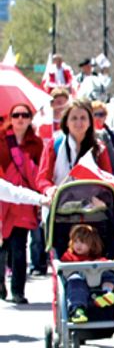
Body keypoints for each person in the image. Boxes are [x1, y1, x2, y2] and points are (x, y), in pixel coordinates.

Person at [0, 102, 44, 304]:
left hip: (23, 200)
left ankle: (18, 290)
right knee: (2, 246)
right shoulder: (1, 139)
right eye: (16, 114)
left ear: (30, 118)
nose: (20, 118)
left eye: (25, 115)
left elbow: (41, 172)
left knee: (19, 247)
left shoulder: (36, 143)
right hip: (3, 200)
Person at [35, 100, 114, 196]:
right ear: (66, 122)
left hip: (91, 206)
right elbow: (42, 178)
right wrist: (49, 189)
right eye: (74, 118)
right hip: (59, 203)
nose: (79, 122)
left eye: (83, 118)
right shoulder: (55, 144)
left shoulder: (99, 148)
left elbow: (107, 180)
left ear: (89, 122)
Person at [60, 223, 114, 323]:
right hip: (79, 283)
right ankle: (78, 310)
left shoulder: (96, 259)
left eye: (82, 242)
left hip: (97, 283)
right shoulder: (69, 257)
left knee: (108, 272)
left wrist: (112, 263)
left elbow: (106, 263)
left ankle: (107, 293)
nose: (78, 245)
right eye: (75, 242)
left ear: (92, 244)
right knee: (75, 281)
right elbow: (63, 268)